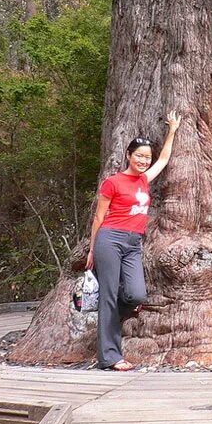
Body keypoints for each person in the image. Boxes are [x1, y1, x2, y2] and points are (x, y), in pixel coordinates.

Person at [85, 111, 182, 371]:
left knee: (136, 293)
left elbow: (164, 159)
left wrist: (172, 130)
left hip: (133, 243)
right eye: (139, 155)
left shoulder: (143, 180)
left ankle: (111, 318)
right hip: (110, 239)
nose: (143, 160)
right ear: (128, 155)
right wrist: (93, 249)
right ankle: (110, 357)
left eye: (146, 157)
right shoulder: (113, 182)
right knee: (108, 295)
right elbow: (98, 217)